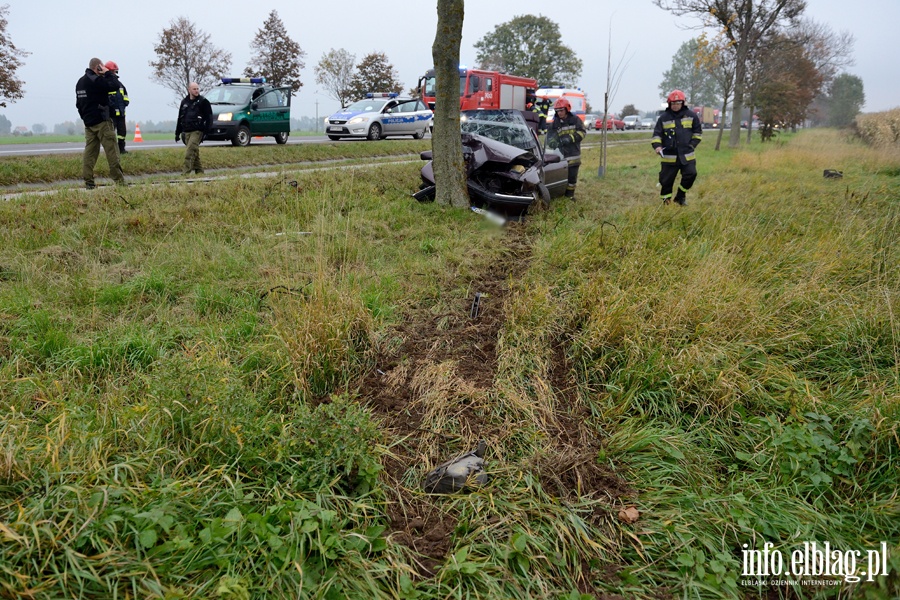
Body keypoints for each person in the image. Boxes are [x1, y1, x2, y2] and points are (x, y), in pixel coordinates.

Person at [75, 57, 125, 189]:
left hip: (89, 124)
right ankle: (119, 182)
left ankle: (89, 182)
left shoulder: (80, 82)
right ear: (98, 67)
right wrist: (107, 73)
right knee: (112, 152)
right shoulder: (96, 80)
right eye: (101, 67)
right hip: (103, 122)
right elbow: (114, 85)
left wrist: (85, 118)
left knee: (90, 153)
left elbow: (78, 104)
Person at [651, 89, 702, 206]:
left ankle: (680, 196)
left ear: (683, 103)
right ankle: (666, 202)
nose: (675, 106)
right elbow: (657, 135)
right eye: (673, 103)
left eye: (678, 103)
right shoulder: (663, 118)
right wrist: (657, 146)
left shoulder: (691, 116)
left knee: (691, 175)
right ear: (669, 104)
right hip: (669, 156)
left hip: (687, 155)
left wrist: (692, 145)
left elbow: (698, 133)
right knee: (666, 181)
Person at [549, 97, 586, 199]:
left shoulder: (575, 120)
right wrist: (553, 143)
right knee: (560, 177)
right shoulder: (554, 123)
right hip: (560, 155)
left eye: (561, 110)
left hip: (574, 154)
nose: (559, 113)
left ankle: (570, 197)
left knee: (572, 178)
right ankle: (560, 196)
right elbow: (550, 138)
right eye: (557, 111)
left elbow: (582, 133)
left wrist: (570, 138)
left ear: (567, 109)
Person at [175, 82, 213, 176]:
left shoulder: (203, 102)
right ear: (189, 90)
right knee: (195, 153)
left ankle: (185, 174)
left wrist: (206, 132)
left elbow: (209, 118)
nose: (196, 91)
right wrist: (177, 133)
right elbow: (180, 117)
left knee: (189, 152)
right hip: (186, 131)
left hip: (197, 131)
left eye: (197, 89)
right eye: (194, 89)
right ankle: (200, 173)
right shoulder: (184, 102)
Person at [104, 61, 130, 154]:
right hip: (112, 114)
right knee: (111, 134)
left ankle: (121, 149)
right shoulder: (106, 84)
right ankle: (112, 151)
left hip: (121, 114)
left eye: (115, 71)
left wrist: (126, 102)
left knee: (122, 133)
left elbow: (125, 95)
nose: (114, 73)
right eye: (113, 71)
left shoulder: (119, 84)